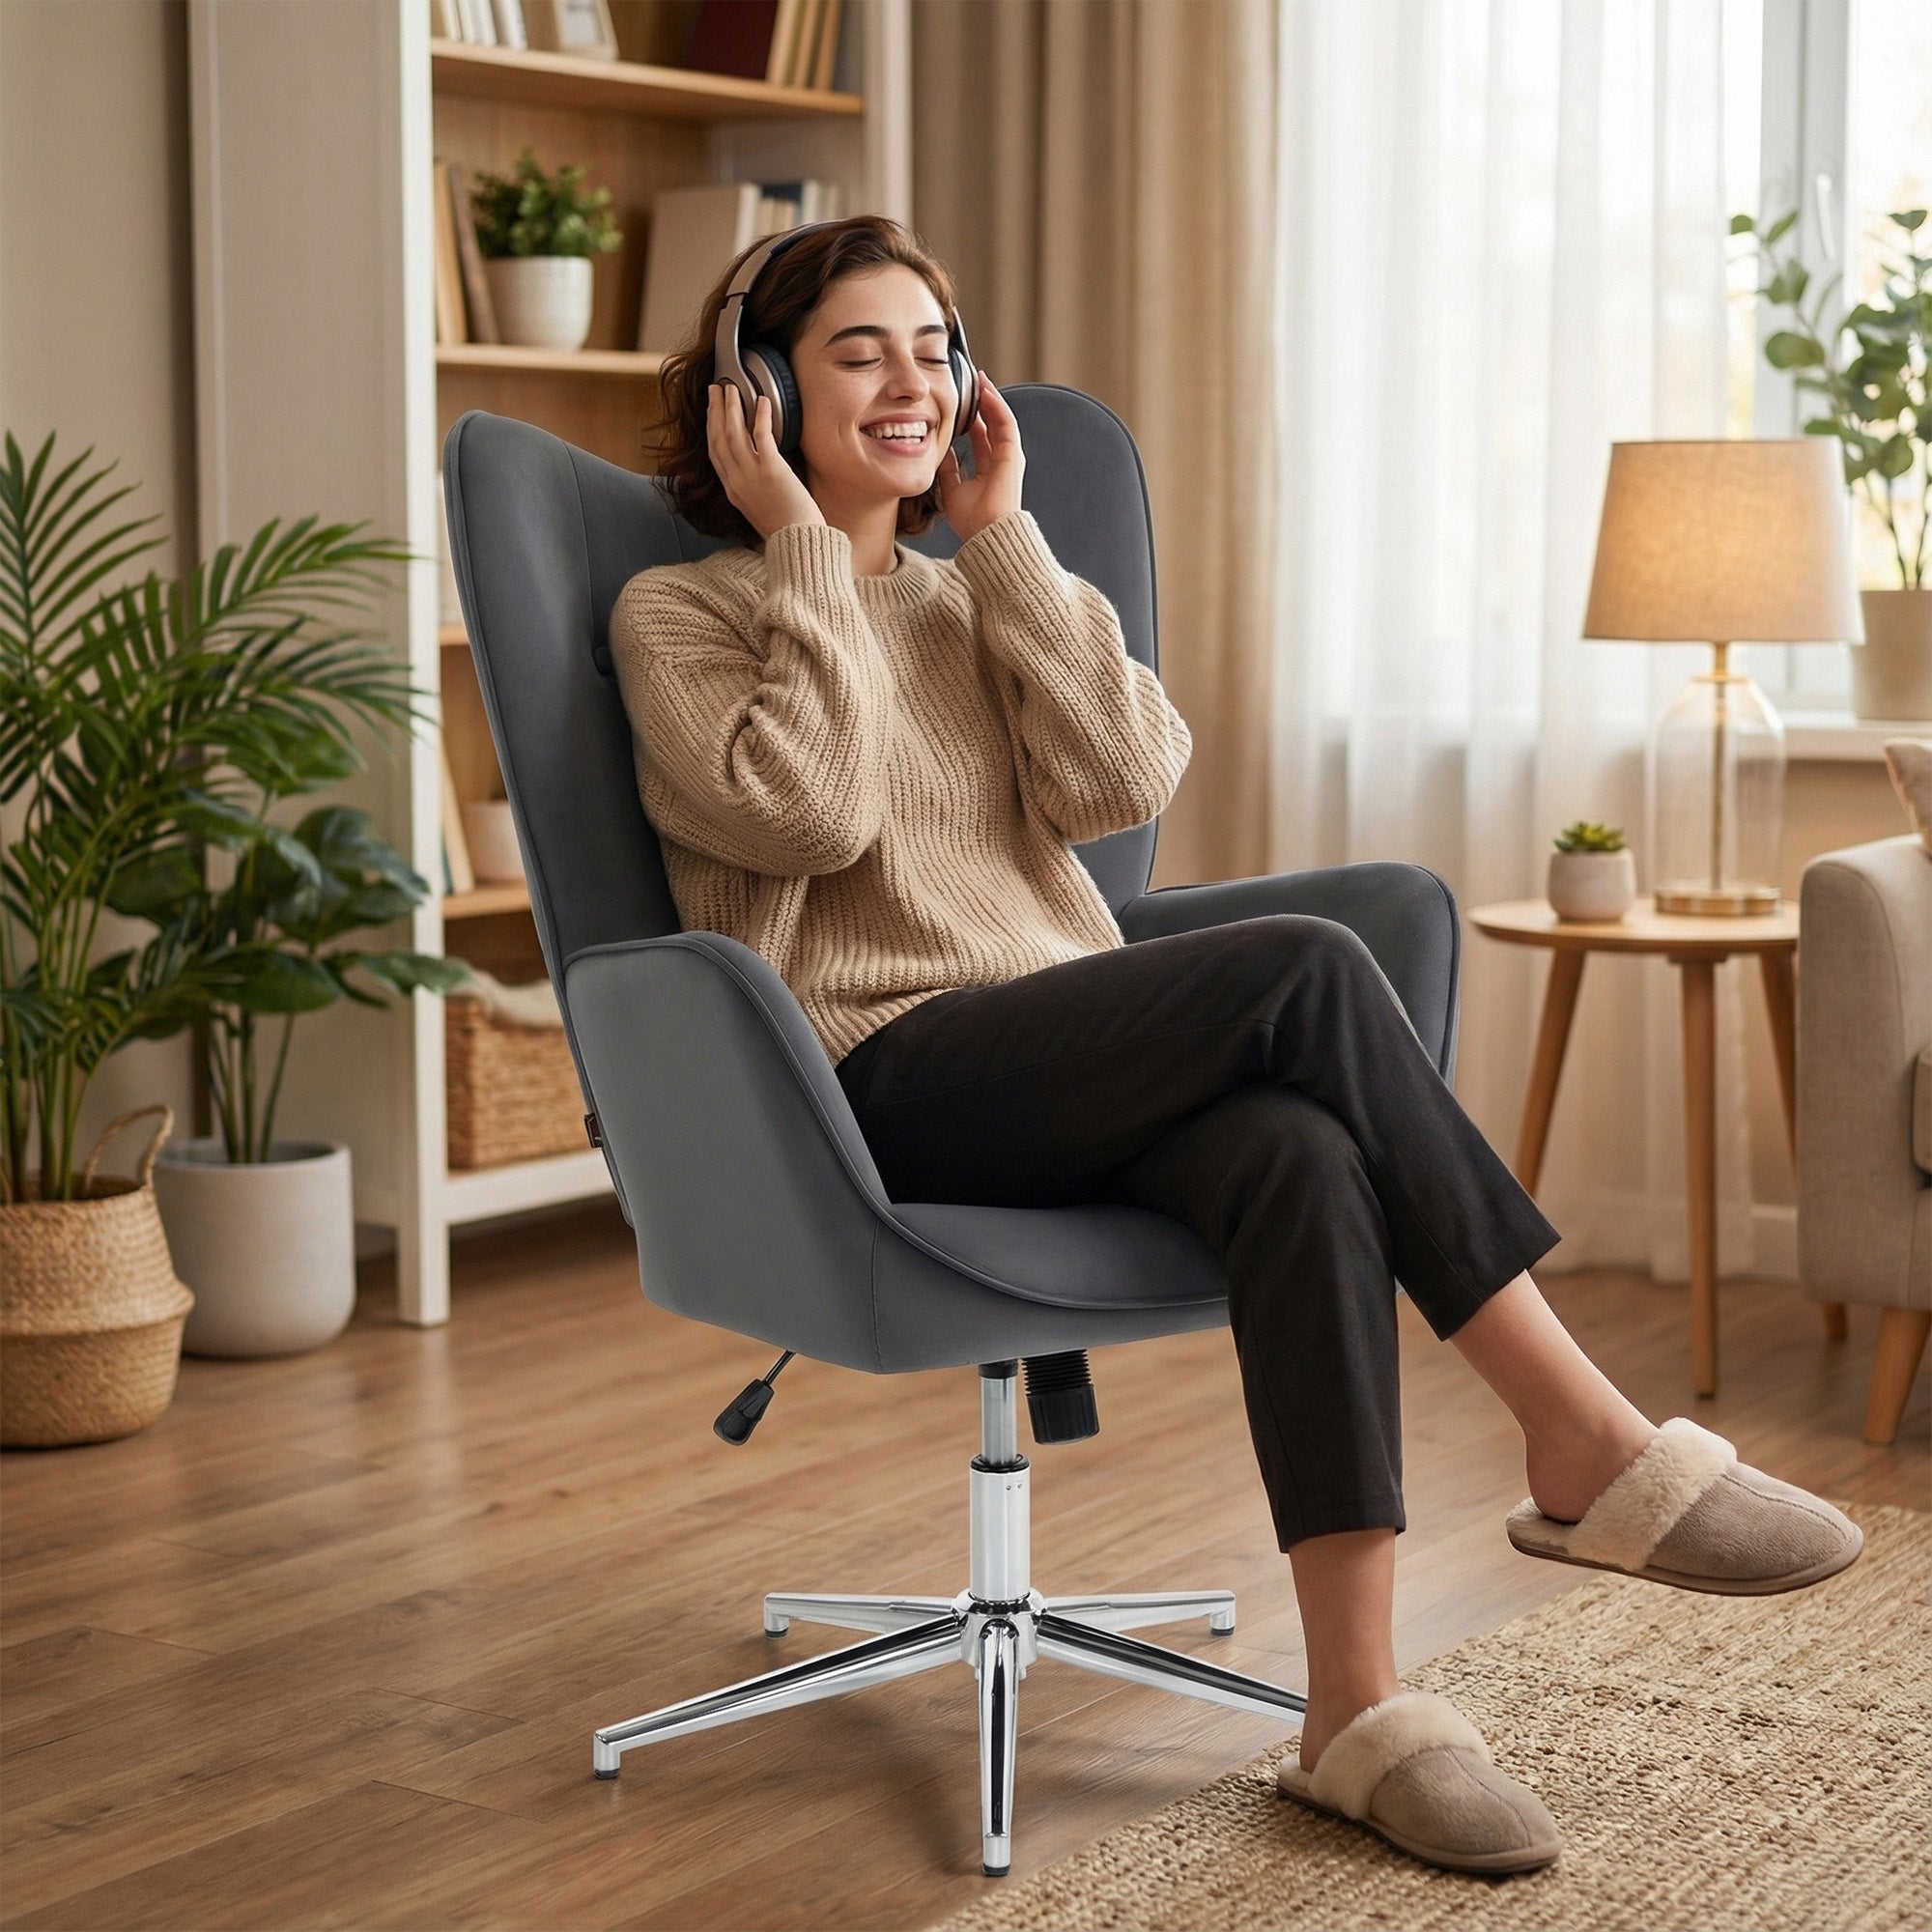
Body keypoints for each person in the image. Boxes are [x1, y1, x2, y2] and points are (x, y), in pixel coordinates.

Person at [608, 215, 1862, 1877]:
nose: (913, 381)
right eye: (858, 351)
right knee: (1312, 972)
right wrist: (804, 559)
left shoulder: (979, 588)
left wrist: (1008, 550)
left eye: (935, 346)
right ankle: (1589, 1443)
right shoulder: (682, 615)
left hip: (1054, 1047)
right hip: (870, 1087)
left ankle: (1354, 1709)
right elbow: (812, 813)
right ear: (757, 394)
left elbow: (1129, 783)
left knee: (1301, 1149)